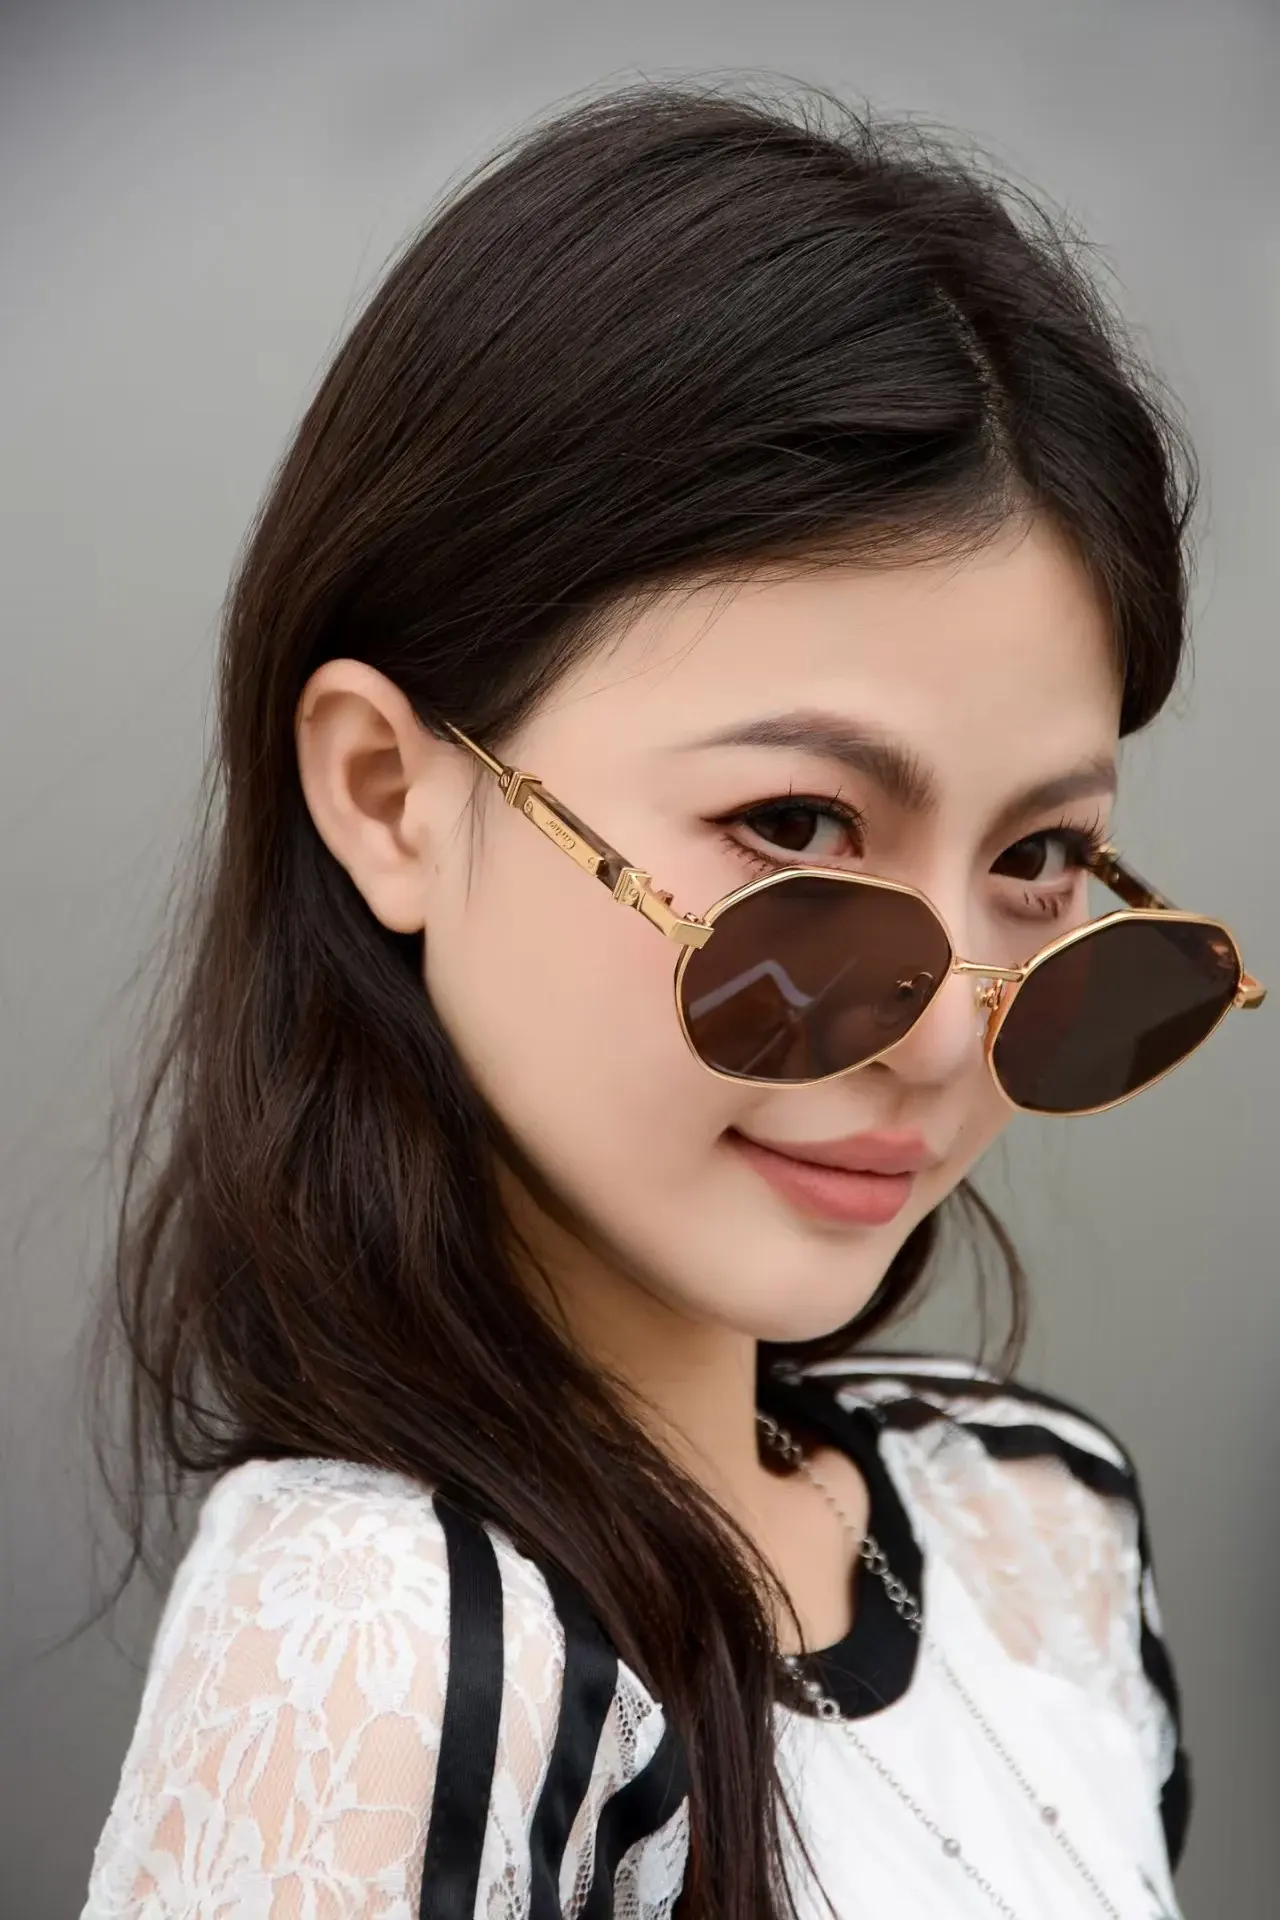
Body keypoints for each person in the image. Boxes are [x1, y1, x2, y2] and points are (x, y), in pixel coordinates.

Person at [81, 83, 1265, 1920]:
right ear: (390, 796)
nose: (942, 1041)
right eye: (793, 827)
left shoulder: (1042, 1516)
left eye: (1041, 858)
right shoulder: (389, 1645)